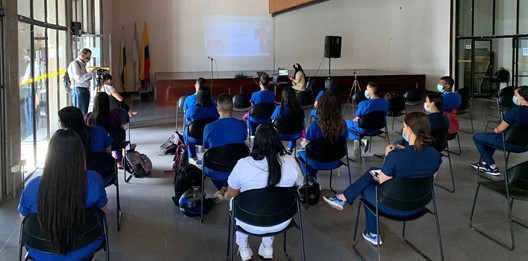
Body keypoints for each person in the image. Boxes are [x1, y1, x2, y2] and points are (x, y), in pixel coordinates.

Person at [323, 112, 442, 246]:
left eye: (404, 127)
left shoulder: (395, 157)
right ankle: (342, 198)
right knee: (371, 173)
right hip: (419, 205)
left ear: (409, 129)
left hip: (394, 206)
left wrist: (388, 156)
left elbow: (382, 180)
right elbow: (429, 176)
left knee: (367, 187)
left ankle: (372, 232)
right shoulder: (435, 155)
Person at [18, 129, 108, 260]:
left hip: (40, 250)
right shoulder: (94, 181)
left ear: (50, 155)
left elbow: (25, 220)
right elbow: (102, 213)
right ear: (80, 154)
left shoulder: (32, 186)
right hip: (85, 246)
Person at [227, 123, 303, 261]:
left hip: (247, 221)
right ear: (277, 140)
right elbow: (299, 185)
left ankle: (243, 249)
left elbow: (232, 193)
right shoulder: (291, 161)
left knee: (236, 203)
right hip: (282, 220)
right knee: (272, 202)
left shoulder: (243, 164)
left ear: (256, 141)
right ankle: (267, 247)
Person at [470, 85, 528, 176]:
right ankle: (485, 163)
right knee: (491, 138)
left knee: (478, 137)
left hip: (509, 143)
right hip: (525, 146)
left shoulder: (515, 111)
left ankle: (492, 167)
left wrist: (496, 130)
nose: (514, 97)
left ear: (523, 97)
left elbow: (500, 129)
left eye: (516, 95)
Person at [203, 93, 248, 200]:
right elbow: (243, 139)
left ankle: (223, 188)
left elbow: (206, 147)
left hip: (216, 168)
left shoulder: (209, 127)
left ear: (217, 108)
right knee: (232, 157)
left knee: (216, 160)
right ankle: (227, 188)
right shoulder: (242, 124)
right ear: (232, 107)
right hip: (237, 167)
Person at [298, 95, 347, 179]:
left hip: (316, 161)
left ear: (320, 107)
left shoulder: (315, 125)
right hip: (335, 160)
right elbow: (344, 140)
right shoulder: (343, 124)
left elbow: (306, 143)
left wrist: (302, 142)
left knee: (300, 154)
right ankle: (311, 178)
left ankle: (310, 178)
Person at [345, 81, 388, 157]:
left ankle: (360, 140)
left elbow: (357, 118)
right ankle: (360, 140)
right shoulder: (385, 103)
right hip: (378, 129)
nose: (366, 90)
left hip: (364, 129)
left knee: (345, 124)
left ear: (371, 91)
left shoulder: (364, 104)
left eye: (367, 89)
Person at [85, 92, 125, 166]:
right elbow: (121, 128)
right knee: (117, 136)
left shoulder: (88, 117)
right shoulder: (114, 114)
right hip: (114, 144)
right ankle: (119, 160)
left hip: (95, 147)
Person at [185, 85, 219, 165]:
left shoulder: (192, 109)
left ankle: (193, 157)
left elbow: (187, 118)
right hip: (211, 137)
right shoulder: (215, 108)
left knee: (187, 130)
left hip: (195, 138)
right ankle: (211, 155)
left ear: (198, 96)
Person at [68, 48, 101, 116]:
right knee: (80, 113)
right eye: (88, 57)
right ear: (82, 55)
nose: (89, 59)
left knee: (84, 112)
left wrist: (90, 76)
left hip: (84, 90)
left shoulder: (82, 65)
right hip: (79, 90)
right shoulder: (75, 64)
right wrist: (92, 72)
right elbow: (79, 79)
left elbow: (84, 77)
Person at [271, 87, 305, 152]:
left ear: (283, 97)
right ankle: (290, 149)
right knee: (293, 126)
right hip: (296, 134)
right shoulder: (299, 109)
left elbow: (273, 122)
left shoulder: (279, 108)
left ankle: (278, 150)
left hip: (280, 135)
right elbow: (302, 122)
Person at [20, 49, 41, 139]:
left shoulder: (31, 64)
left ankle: (30, 133)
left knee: (29, 112)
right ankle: (31, 132)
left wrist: (19, 80)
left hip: (30, 90)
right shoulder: (33, 63)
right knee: (31, 112)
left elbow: (25, 79)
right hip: (32, 90)